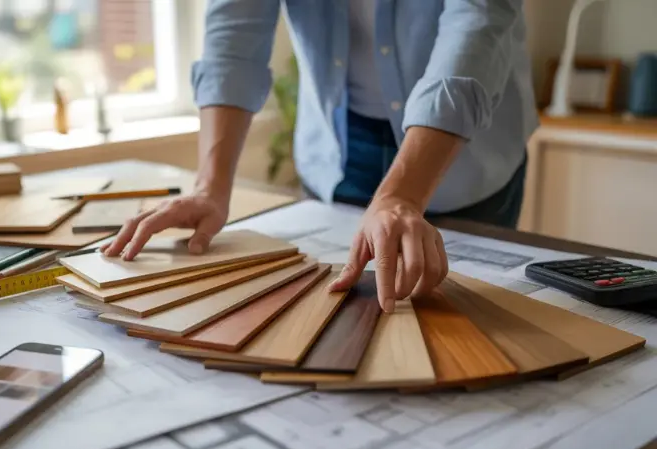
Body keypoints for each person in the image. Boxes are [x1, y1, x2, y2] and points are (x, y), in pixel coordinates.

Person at [101, 0, 538, 314]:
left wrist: (401, 195)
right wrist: (209, 188)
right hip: (338, 145)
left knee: (461, 324)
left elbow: (476, 26)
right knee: (337, 319)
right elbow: (234, 33)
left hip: (461, 148)